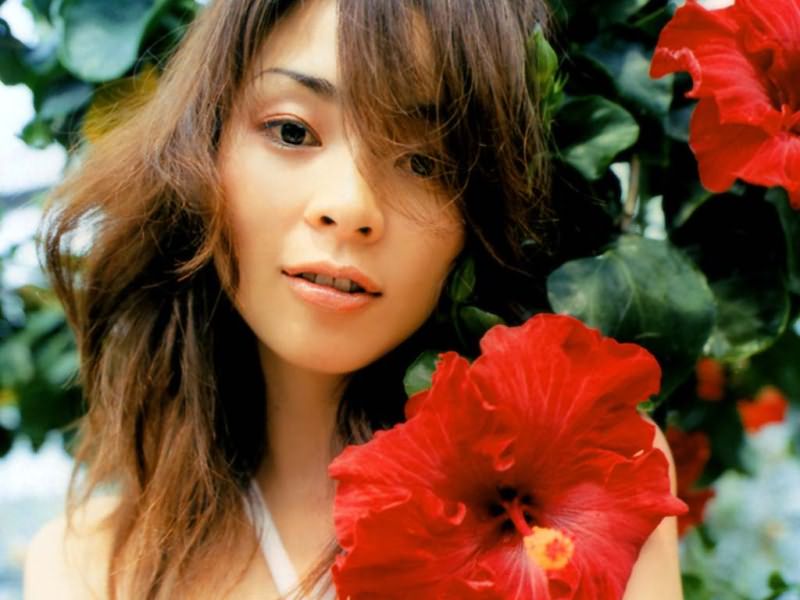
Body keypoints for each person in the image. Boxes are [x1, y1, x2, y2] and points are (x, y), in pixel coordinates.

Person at [23, 0, 683, 598]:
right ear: (201, 150)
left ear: (478, 216)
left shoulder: (597, 467)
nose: (350, 206)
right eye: (292, 132)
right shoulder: (88, 567)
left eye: (426, 162)